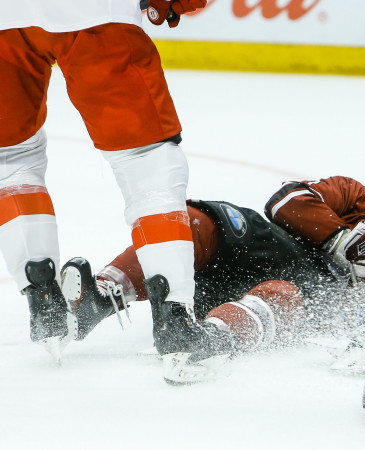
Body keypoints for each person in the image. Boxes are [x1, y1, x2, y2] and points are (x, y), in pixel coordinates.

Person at [61, 168, 365, 382]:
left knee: (285, 293)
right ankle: (100, 297)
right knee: (201, 221)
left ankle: (207, 338)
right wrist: (339, 239)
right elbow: (285, 202)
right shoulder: (354, 195)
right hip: (271, 246)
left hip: (301, 292)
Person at [0, 0, 209, 361]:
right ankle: (174, 317)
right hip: (94, 15)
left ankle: (43, 302)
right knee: (147, 161)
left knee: (10, 160)